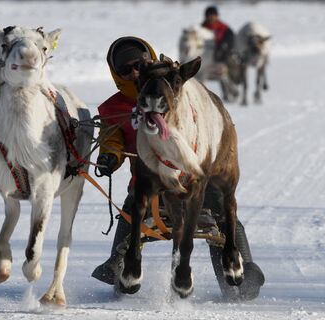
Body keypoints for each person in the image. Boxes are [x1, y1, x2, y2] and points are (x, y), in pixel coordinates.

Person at [91, 36, 264, 301]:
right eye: (125, 69)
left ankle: (242, 269)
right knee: (130, 212)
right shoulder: (113, 108)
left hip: (193, 178)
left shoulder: (176, 90)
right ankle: (118, 264)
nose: (134, 72)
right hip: (148, 183)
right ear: (116, 75)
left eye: (139, 64)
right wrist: (110, 157)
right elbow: (111, 138)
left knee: (219, 205)